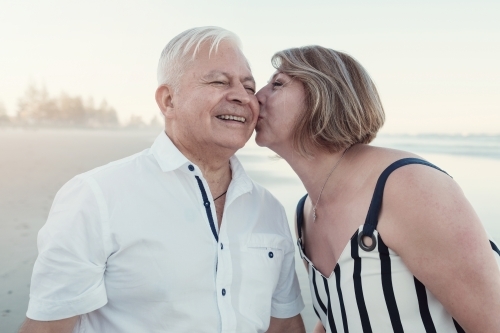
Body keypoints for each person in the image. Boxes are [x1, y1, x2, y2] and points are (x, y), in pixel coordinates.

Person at [19, 27, 305, 333]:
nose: (241, 96)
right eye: (219, 81)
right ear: (168, 100)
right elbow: (47, 328)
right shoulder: (97, 197)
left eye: (249, 87)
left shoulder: (269, 209)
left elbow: (285, 325)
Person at [255, 45, 500, 333]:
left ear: (324, 96)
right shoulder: (304, 212)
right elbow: (338, 314)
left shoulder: (408, 187)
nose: (257, 96)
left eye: (278, 84)